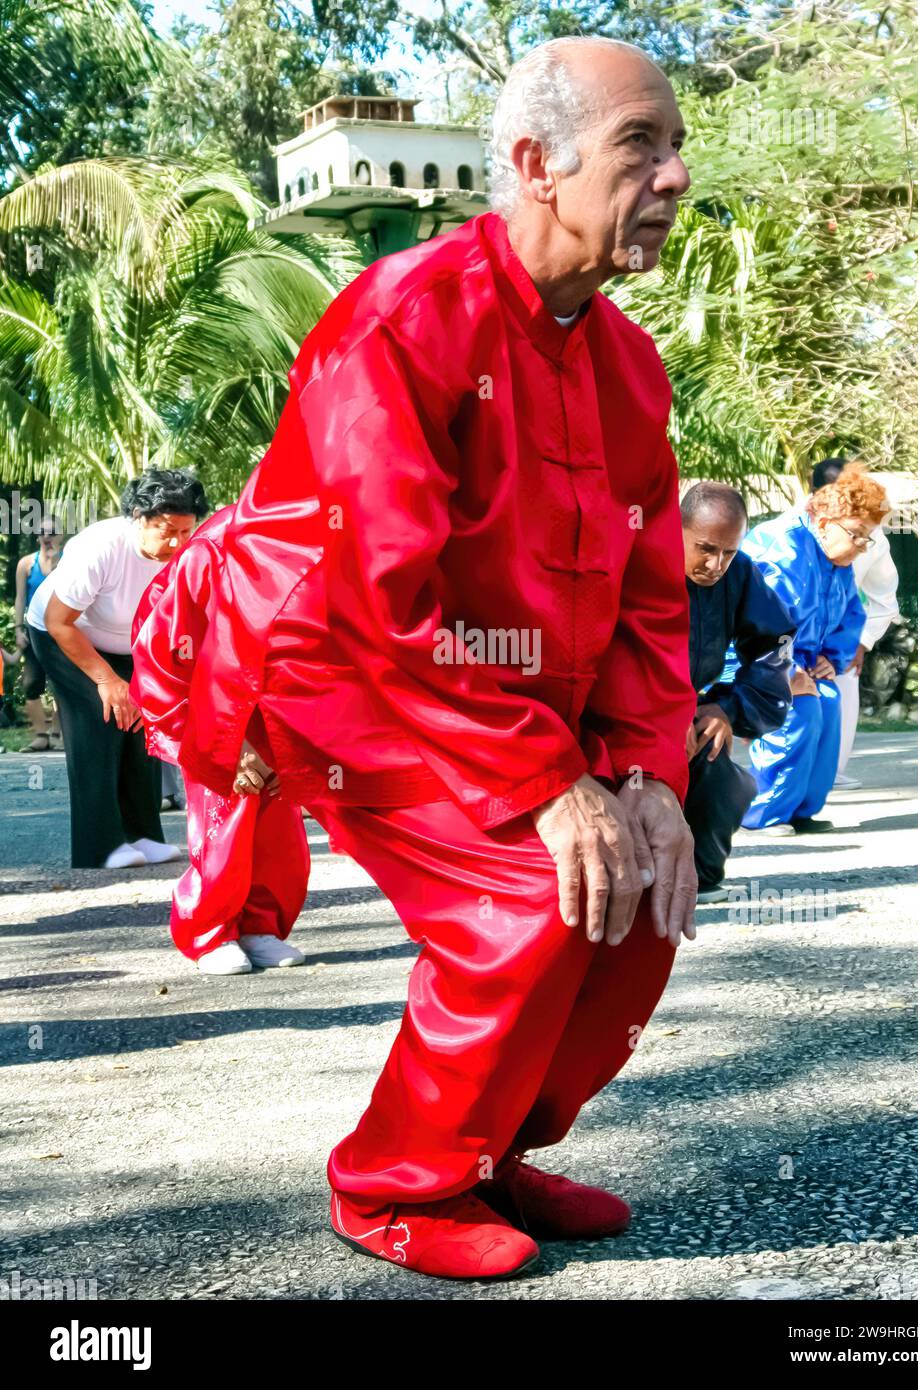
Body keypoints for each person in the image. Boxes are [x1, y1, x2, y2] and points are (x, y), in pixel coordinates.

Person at [161, 36, 698, 1280]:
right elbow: (377, 596)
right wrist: (546, 785)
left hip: (486, 692)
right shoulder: (405, 318)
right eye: (641, 146)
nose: (674, 175)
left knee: (638, 896)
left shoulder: (625, 364)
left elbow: (651, 606)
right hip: (339, 676)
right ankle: (392, 1183)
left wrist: (646, 774)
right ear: (534, 166)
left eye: (675, 147)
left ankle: (486, 1150)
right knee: (529, 890)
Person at [131, 509, 311, 975]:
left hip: (277, 701)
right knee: (224, 820)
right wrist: (220, 740)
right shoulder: (213, 551)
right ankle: (209, 931)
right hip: (209, 702)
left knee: (278, 825)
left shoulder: (321, 547)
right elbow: (166, 658)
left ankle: (260, 926)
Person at [26, 469, 209, 869]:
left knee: (144, 721)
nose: (176, 542)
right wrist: (107, 680)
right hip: (64, 634)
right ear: (138, 517)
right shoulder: (100, 547)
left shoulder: (189, 553)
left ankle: (143, 835)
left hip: (131, 642)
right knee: (101, 717)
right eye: (165, 530)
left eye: (185, 531)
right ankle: (101, 847)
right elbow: (60, 621)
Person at [740, 463, 889, 836]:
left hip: (799, 658)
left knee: (827, 702)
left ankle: (801, 809)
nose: (861, 546)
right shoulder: (783, 550)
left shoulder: (835, 557)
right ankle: (765, 812)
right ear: (824, 523)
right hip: (754, 658)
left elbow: (849, 613)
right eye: (856, 535)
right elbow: (758, 622)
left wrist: (830, 658)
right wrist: (786, 671)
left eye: (866, 538)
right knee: (798, 708)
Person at [681, 483, 796, 902]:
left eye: (728, 551)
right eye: (705, 548)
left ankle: (700, 877)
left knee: (720, 772)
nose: (716, 564)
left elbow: (774, 645)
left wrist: (727, 708)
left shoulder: (741, 573)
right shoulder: (637, 564)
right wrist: (654, 719)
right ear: (676, 529)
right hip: (631, 714)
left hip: (691, 708)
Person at [804, 459, 900, 791]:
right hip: (787, 641)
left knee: (840, 705)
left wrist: (861, 642)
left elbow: (885, 597)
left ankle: (829, 774)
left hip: (838, 641)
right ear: (816, 494)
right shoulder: (788, 532)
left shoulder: (872, 538)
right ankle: (783, 788)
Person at [13, 518, 63, 751]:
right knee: (31, 683)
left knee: (61, 684)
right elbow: (20, 598)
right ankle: (41, 735)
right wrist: (18, 629)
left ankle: (57, 733)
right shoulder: (26, 563)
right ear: (37, 537)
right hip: (34, 630)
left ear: (61, 535)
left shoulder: (68, 561)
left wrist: (54, 563)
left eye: (52, 532)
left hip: (62, 629)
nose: (47, 537)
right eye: (42, 533)